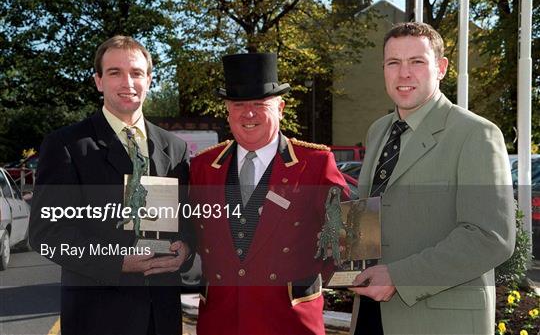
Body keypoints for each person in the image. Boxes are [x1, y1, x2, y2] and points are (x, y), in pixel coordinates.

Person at [348, 22, 516, 335]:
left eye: (417, 62)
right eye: (393, 63)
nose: (404, 74)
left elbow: (490, 237)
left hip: (439, 321)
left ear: (440, 68)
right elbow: (370, 214)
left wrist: (399, 276)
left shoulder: (476, 134)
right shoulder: (378, 131)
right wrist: (337, 246)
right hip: (371, 315)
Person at [29, 35, 193, 335]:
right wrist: (116, 261)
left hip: (163, 318)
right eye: (115, 72)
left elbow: (187, 223)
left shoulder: (176, 148)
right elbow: (47, 234)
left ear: (150, 80)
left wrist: (187, 250)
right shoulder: (66, 145)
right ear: (98, 81)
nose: (127, 82)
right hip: (97, 318)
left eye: (136, 73)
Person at [189, 53, 348, 335]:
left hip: (289, 323)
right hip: (220, 323)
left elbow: (343, 238)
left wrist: (306, 282)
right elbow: (191, 234)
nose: (248, 113)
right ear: (228, 111)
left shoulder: (314, 164)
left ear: (281, 108)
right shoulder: (203, 167)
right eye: (238, 105)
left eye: (260, 104)